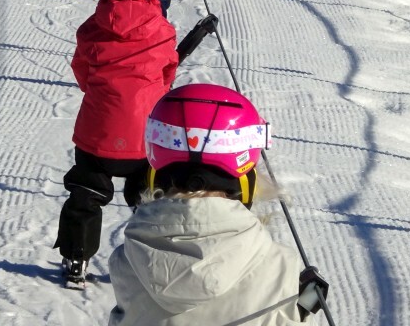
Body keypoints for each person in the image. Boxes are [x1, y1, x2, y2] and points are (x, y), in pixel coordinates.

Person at [107, 83, 329, 325]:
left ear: (154, 175)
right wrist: (301, 308)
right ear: (246, 183)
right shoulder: (280, 265)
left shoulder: (127, 260)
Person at [54, 0, 178, 288]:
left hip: (98, 133)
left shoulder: (94, 26)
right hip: (145, 139)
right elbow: (169, 75)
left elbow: (83, 72)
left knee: (86, 193)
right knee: (148, 200)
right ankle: (151, 262)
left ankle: (77, 256)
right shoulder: (163, 30)